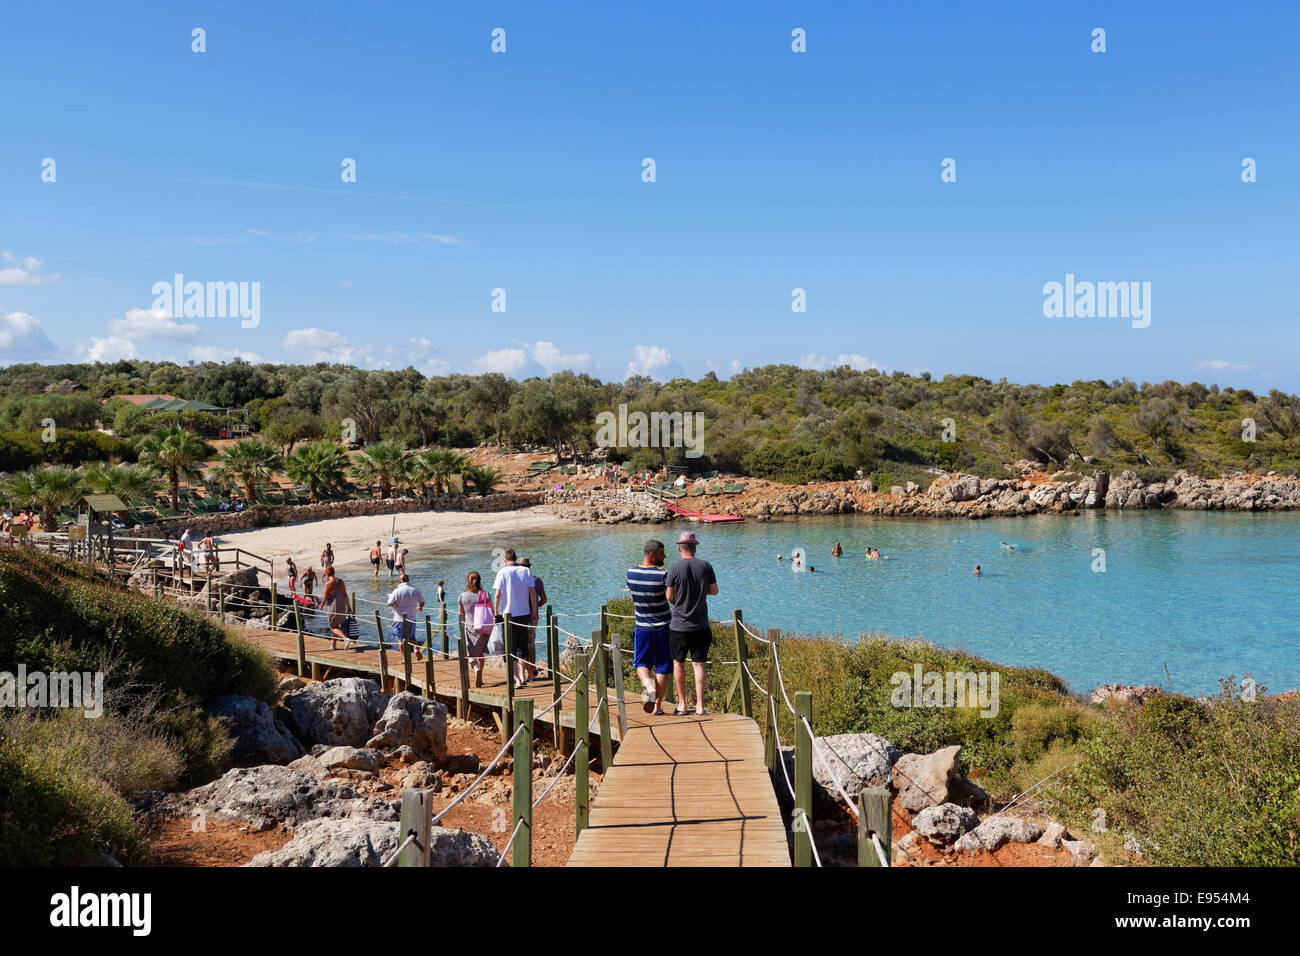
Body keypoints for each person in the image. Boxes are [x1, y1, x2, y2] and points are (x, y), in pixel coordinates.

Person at [664, 531, 717, 716]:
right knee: (699, 664)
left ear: (680, 548)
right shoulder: (706, 566)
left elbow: (669, 596)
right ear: (695, 547)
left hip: (678, 625)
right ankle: (701, 707)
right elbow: (714, 590)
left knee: (678, 664)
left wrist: (679, 601)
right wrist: (699, 593)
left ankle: (683, 704)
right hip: (701, 625)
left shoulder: (674, 568)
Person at [627, 539, 671, 714]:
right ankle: (658, 707)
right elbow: (669, 597)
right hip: (663, 629)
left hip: (642, 629)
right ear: (652, 555)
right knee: (662, 666)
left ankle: (648, 686)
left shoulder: (630, 573)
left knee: (641, 663)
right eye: (661, 553)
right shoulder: (663, 575)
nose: (665, 556)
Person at [493, 548, 537, 690]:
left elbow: (497, 595)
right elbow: (532, 593)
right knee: (522, 646)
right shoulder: (526, 571)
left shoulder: (502, 572)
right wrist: (534, 612)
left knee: (510, 648)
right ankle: (523, 676)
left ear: (504, 560)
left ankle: (517, 679)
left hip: (508, 615)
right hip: (524, 614)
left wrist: (495, 611)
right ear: (515, 558)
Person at [458, 571, 493, 687]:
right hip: (483, 628)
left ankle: (476, 668)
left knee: (470, 655)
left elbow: (461, 614)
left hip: (469, 629)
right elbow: (492, 611)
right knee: (481, 654)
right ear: (479, 580)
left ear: (468, 581)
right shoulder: (485, 594)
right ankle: (480, 677)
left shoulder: (462, 596)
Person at [387, 573, 426, 658]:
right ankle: (415, 649)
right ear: (408, 580)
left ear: (400, 581)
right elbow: (422, 602)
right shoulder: (415, 590)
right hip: (412, 618)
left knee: (400, 640)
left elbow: (389, 603)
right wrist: (420, 608)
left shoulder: (397, 591)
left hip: (399, 619)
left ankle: (404, 659)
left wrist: (395, 604)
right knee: (412, 638)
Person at [520, 558, 547, 680]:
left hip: (520, 616)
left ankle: (525, 672)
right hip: (533, 616)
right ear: (529, 567)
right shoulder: (537, 581)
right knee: (531, 643)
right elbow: (544, 599)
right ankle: (531, 671)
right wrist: (536, 607)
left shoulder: (518, 581)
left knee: (521, 644)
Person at [322, 566, 351, 650]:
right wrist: (349, 606)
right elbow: (345, 594)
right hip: (342, 605)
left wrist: (321, 606)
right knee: (336, 625)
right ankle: (334, 645)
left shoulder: (328, 583)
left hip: (333, 607)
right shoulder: (340, 581)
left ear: (327, 574)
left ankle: (345, 638)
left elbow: (324, 598)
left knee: (332, 627)